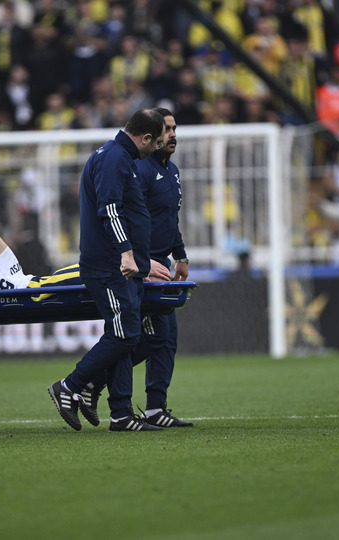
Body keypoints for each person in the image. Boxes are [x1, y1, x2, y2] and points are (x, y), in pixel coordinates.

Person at [47, 108, 165, 432]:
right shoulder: (114, 158)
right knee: (125, 334)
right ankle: (70, 386)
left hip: (126, 266)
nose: (155, 150)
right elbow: (110, 209)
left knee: (127, 336)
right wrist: (127, 253)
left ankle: (122, 414)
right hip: (111, 267)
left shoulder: (117, 157)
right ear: (145, 138)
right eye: (155, 143)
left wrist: (141, 259)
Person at [78, 108, 194, 429]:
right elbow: (122, 214)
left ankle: (155, 406)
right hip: (138, 266)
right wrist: (140, 259)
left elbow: (168, 220)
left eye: (173, 128)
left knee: (163, 338)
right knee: (133, 336)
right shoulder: (136, 166)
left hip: (155, 264)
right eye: (165, 130)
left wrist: (179, 254)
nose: (170, 135)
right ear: (150, 136)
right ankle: (105, 396)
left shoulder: (171, 171)